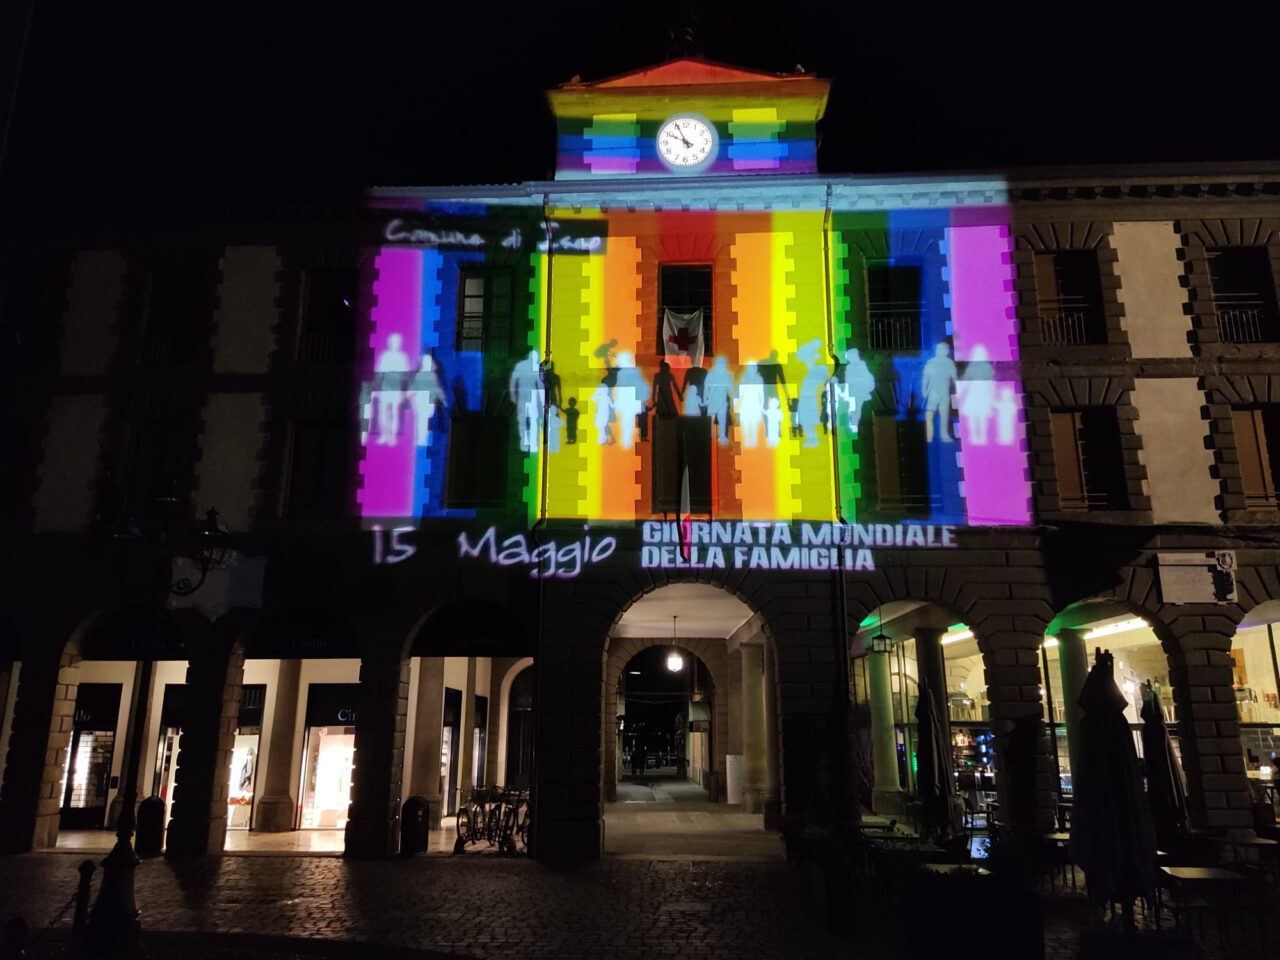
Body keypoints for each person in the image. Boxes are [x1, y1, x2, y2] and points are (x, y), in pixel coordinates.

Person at [374, 332, 411, 444]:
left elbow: (406, 375)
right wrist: (376, 389)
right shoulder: (384, 356)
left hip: (396, 388)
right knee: (382, 412)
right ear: (389, 343)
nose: (394, 344)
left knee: (394, 412)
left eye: (396, 342)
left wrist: (404, 392)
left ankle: (392, 436)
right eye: (392, 342)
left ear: (399, 343)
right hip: (385, 387)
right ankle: (384, 434)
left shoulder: (403, 357)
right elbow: (378, 373)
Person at [921, 341, 958, 443]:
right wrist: (924, 390)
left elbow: (954, 378)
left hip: (944, 392)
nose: (942, 351)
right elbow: (925, 378)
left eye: (944, 349)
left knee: (945, 414)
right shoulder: (931, 362)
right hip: (933, 391)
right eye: (940, 349)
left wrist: (957, 390)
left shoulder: (949, 363)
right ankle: (929, 434)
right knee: (930, 413)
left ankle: (944, 435)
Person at [509, 349, 544, 453]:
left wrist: (513, 395)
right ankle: (533, 445)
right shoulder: (537, 367)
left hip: (522, 396)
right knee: (534, 421)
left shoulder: (520, 366)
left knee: (523, 421)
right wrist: (543, 401)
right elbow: (541, 386)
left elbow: (513, 381)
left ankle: (524, 444)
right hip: (532, 397)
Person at [407, 353, 446, 448]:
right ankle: (420, 440)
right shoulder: (420, 375)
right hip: (421, 402)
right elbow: (412, 389)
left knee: (424, 422)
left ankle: (422, 440)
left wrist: (442, 398)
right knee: (421, 421)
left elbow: (436, 388)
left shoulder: (431, 376)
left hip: (427, 403)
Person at [613, 352, 650, 449]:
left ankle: (627, 438)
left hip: (629, 397)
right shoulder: (631, 371)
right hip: (629, 397)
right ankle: (627, 438)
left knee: (627, 419)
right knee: (627, 419)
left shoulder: (628, 372)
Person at [703, 356, 735, 444]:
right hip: (722, 402)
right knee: (722, 420)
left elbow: (706, 388)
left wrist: (705, 400)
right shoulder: (727, 374)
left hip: (713, 402)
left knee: (712, 420)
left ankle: (709, 437)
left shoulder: (711, 374)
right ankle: (721, 437)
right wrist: (735, 397)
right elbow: (731, 390)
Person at [737, 361, 765, 447]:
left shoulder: (759, 379)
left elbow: (761, 393)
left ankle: (753, 440)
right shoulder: (743, 379)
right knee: (745, 423)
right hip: (746, 404)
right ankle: (746, 440)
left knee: (753, 423)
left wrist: (761, 405)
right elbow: (740, 394)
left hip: (755, 404)